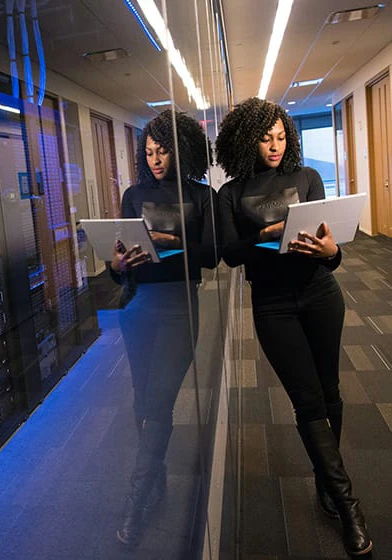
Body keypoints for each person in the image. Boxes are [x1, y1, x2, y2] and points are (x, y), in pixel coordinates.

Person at [216, 97, 372, 557]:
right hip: (273, 304)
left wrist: (331, 253)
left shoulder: (307, 178)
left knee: (330, 392)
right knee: (307, 402)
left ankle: (327, 481)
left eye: (282, 137)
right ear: (247, 140)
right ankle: (349, 508)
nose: (276, 146)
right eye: (266, 138)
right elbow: (229, 253)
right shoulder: (231, 193)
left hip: (321, 293)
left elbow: (331, 247)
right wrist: (266, 235)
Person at [109, 109, 218, 546]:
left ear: (181, 149)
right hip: (138, 307)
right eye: (149, 152)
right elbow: (120, 267)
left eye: (163, 150)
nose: (155, 159)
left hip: (179, 308)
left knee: (159, 401)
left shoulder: (200, 195)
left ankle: (137, 501)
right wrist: (117, 265)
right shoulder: (133, 195)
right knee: (142, 401)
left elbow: (211, 257)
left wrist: (171, 242)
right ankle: (156, 480)